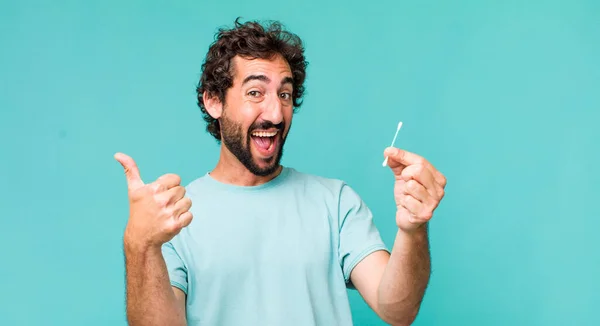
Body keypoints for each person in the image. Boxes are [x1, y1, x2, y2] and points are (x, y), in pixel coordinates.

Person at [115, 18, 447, 326]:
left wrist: (413, 229)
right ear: (214, 101)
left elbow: (397, 309)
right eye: (255, 93)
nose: (275, 113)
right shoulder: (176, 217)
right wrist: (139, 244)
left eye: (284, 94)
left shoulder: (336, 203)